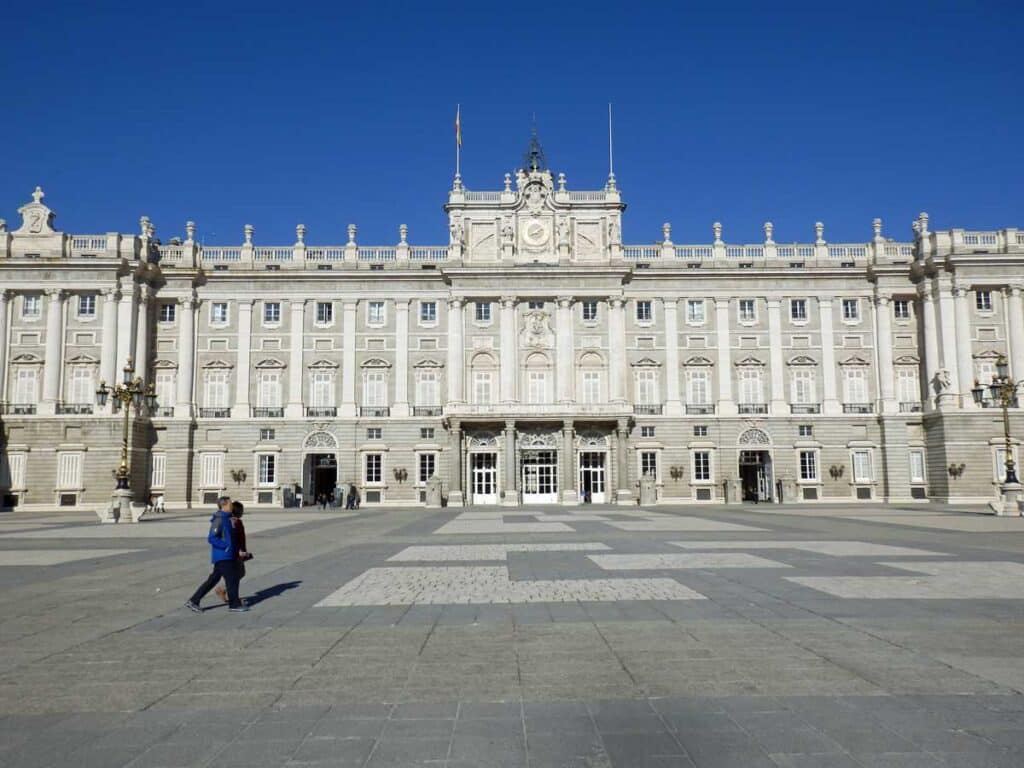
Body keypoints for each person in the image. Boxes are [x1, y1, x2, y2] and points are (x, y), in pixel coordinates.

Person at [185, 495, 249, 613]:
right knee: (232, 579)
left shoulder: (228, 518)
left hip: (229, 554)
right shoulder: (219, 519)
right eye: (230, 503)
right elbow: (212, 537)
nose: (232, 505)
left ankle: (194, 600)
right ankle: (234, 604)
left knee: (213, 580)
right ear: (224, 505)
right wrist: (226, 546)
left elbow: (233, 537)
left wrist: (238, 550)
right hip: (223, 555)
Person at [215, 501, 252, 604]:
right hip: (235, 552)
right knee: (237, 573)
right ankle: (231, 597)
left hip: (236, 551)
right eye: (242, 510)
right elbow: (235, 538)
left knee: (239, 573)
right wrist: (240, 551)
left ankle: (225, 591)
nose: (243, 512)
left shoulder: (235, 521)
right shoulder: (235, 522)